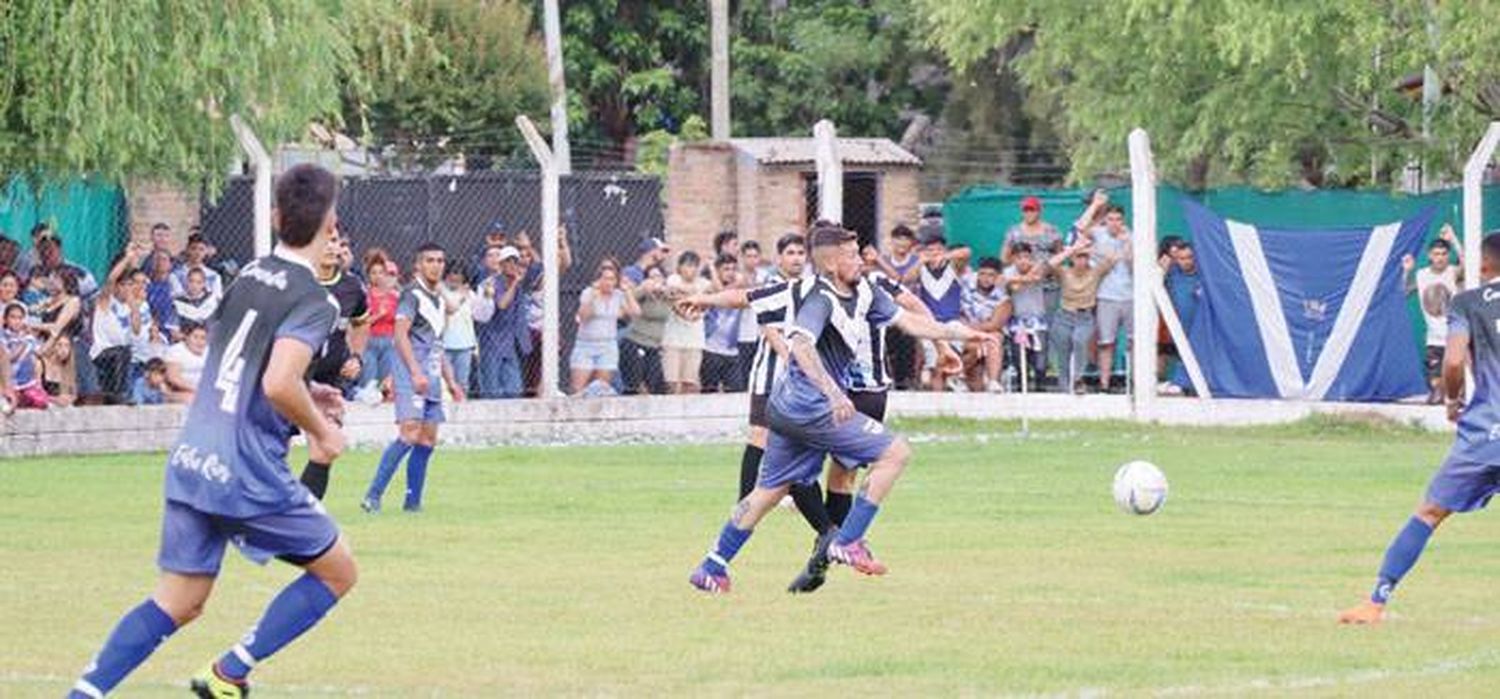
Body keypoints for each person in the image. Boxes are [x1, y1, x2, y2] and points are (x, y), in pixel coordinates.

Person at [66, 163, 355, 699]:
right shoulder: (316, 300)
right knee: (338, 571)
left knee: (180, 601)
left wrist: (304, 392)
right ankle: (229, 673)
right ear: (331, 222)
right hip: (243, 468)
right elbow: (276, 381)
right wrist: (321, 429)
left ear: (275, 217)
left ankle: (83, 696)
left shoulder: (247, 275)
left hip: (195, 454)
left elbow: (238, 363)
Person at [685, 224, 999, 594]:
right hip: (810, 406)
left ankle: (712, 567)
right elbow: (801, 344)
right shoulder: (819, 298)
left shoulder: (864, 289)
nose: (861, 259)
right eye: (852, 255)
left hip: (786, 406)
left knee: (769, 489)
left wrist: (964, 335)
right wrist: (834, 394)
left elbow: (910, 320)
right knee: (895, 453)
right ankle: (847, 541)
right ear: (833, 263)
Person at [1338, 233, 1500, 625]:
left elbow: (1454, 361)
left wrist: (1451, 400)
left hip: (1486, 432)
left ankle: (1375, 602)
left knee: (1429, 513)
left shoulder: (1468, 302)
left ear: (1482, 265)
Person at [362, 243, 464, 514]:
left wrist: (451, 381)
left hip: (430, 376)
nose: (436, 265)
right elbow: (400, 335)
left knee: (428, 439)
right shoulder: (411, 295)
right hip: (411, 375)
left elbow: (437, 344)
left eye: (441, 260)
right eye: (430, 260)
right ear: (419, 264)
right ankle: (372, 496)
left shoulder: (440, 301)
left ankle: (412, 502)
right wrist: (415, 371)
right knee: (409, 433)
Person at [1051, 239, 1123, 393]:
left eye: (1084, 257)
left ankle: (1078, 379)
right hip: (1063, 316)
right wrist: (1072, 250)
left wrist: (1090, 250)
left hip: (1085, 317)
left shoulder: (1095, 272)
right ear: (1072, 258)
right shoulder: (1064, 272)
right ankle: (1064, 388)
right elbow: (1050, 264)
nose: (1081, 260)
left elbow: (1113, 258)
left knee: (1080, 341)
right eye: (1078, 257)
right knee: (1063, 353)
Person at [1404, 226, 1463, 405]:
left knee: (1451, 383)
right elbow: (1403, 292)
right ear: (1430, 255)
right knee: (1435, 384)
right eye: (1436, 253)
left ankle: (1454, 395)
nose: (1440, 257)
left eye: (1444, 253)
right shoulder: (1421, 275)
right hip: (1434, 341)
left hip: (1457, 338)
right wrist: (1407, 271)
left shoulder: (1453, 272)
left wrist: (1454, 240)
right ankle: (1447, 394)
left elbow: (1469, 263)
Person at [904, 228, 966, 391]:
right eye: (930, 250)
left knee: (954, 338)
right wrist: (920, 261)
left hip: (952, 322)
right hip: (930, 322)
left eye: (938, 249)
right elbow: (906, 279)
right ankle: (934, 387)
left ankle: (955, 377)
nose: (934, 253)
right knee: (934, 362)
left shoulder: (953, 267)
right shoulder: (922, 268)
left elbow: (965, 252)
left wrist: (944, 256)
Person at [91, 247, 153, 404]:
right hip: (101, 352)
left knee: (125, 352)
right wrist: (128, 257)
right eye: (124, 285)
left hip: (122, 355)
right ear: (117, 287)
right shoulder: (106, 301)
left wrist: (133, 307)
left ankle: (119, 394)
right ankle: (119, 395)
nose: (127, 289)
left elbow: (137, 330)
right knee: (122, 352)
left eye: (130, 285)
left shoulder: (132, 306)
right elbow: (111, 279)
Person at [473, 245, 536, 399]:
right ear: (501, 264)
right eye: (508, 261)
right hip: (491, 343)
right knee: (492, 390)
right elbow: (501, 304)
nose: (513, 265)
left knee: (514, 389)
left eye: (516, 262)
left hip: (509, 343)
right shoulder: (490, 284)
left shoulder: (520, 284)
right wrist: (515, 284)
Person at [571, 260, 640, 395]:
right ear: (599, 279)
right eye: (606, 279)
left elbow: (636, 312)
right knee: (577, 388)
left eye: (612, 279)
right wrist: (593, 297)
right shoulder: (589, 293)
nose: (609, 282)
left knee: (601, 388)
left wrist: (628, 292)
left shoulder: (618, 295)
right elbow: (582, 317)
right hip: (586, 344)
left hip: (607, 345)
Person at [1090, 204, 1133, 393]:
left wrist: (1127, 245)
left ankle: (1135, 382)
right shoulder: (1098, 235)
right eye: (1111, 219)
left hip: (1132, 296)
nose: (1114, 223)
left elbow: (1134, 267)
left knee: (1135, 341)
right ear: (1104, 221)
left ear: (1123, 221)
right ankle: (1104, 384)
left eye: (1118, 220)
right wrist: (1095, 204)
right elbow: (1079, 228)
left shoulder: (1133, 236)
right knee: (1106, 342)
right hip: (1106, 297)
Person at [662, 250, 710, 394]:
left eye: (695, 266)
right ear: (680, 267)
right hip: (673, 340)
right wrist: (696, 294)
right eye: (688, 266)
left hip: (695, 340)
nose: (692, 270)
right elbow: (673, 291)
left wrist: (711, 267)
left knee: (690, 383)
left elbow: (716, 290)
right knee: (672, 383)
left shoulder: (703, 282)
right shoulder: (673, 279)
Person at [1003, 243, 1050, 390]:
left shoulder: (1039, 268)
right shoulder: (1007, 272)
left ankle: (1040, 388)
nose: (1023, 261)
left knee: (1040, 360)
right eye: (1019, 258)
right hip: (1018, 322)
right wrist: (1027, 278)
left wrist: (1028, 276)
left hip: (1038, 320)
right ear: (1012, 259)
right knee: (1020, 358)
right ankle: (1021, 388)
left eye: (1026, 257)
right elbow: (1013, 287)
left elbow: (1041, 274)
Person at [619, 265, 671, 395]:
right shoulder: (642, 293)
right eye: (651, 277)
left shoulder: (667, 296)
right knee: (634, 384)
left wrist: (664, 290)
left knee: (657, 386)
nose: (655, 280)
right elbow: (629, 298)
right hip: (635, 342)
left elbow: (682, 294)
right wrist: (643, 288)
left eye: (658, 276)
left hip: (654, 345)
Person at [961, 257, 1011, 392]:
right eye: (982, 274)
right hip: (965, 332)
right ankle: (956, 375)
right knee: (975, 346)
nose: (985, 278)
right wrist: (968, 328)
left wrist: (974, 328)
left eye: (991, 275)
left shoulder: (1003, 297)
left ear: (998, 277)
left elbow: (995, 324)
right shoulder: (965, 288)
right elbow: (958, 313)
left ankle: (993, 382)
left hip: (987, 333)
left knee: (994, 338)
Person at [1159, 238, 1201, 394]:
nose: (1186, 262)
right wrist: (1169, 258)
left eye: (1190, 257)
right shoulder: (1172, 273)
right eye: (1182, 258)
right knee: (1181, 353)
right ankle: (1181, 383)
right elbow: (1156, 275)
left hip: (1199, 325)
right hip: (1179, 324)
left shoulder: (1204, 275)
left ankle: (1184, 383)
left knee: (1196, 353)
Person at [700, 254, 743, 393]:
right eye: (726, 269)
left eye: (733, 269)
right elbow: (720, 293)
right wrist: (712, 268)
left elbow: (728, 293)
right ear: (718, 272)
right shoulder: (709, 288)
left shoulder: (739, 289)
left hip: (731, 351)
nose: (731, 273)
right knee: (709, 390)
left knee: (735, 390)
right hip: (711, 350)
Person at [359, 255, 399, 395]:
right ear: (368, 275)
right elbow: (359, 323)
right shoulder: (364, 296)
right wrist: (378, 315)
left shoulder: (394, 297)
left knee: (386, 383)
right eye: (373, 273)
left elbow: (400, 322)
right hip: (369, 341)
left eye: (381, 272)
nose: (377, 276)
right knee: (368, 382)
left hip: (389, 342)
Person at [3, 301, 51, 409]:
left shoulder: (29, 337)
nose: (17, 321)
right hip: (8, 383)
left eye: (20, 318)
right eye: (13, 317)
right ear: (5, 319)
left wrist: (52, 338)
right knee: (8, 405)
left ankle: (25, 397)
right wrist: (23, 343)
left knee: (42, 403)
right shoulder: (3, 337)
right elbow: (9, 358)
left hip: (28, 382)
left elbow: (39, 353)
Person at [441, 263, 478, 397]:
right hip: (444, 344)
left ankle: (462, 408)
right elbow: (449, 309)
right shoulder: (441, 292)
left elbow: (480, 315)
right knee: (445, 383)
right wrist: (461, 296)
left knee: (462, 382)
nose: (455, 277)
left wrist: (485, 297)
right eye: (452, 273)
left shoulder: (471, 295)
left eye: (458, 273)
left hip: (464, 344)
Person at [170, 233, 224, 300]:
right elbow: (177, 297)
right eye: (193, 248)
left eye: (201, 249)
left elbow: (217, 299)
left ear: (206, 251)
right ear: (187, 249)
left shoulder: (214, 276)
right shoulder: (176, 275)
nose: (197, 253)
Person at [164, 322, 209, 400]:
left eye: (203, 338)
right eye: (195, 337)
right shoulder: (176, 351)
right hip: (180, 391)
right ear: (187, 337)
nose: (199, 341)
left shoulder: (208, 351)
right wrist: (198, 389)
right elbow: (174, 378)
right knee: (194, 399)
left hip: (204, 389)